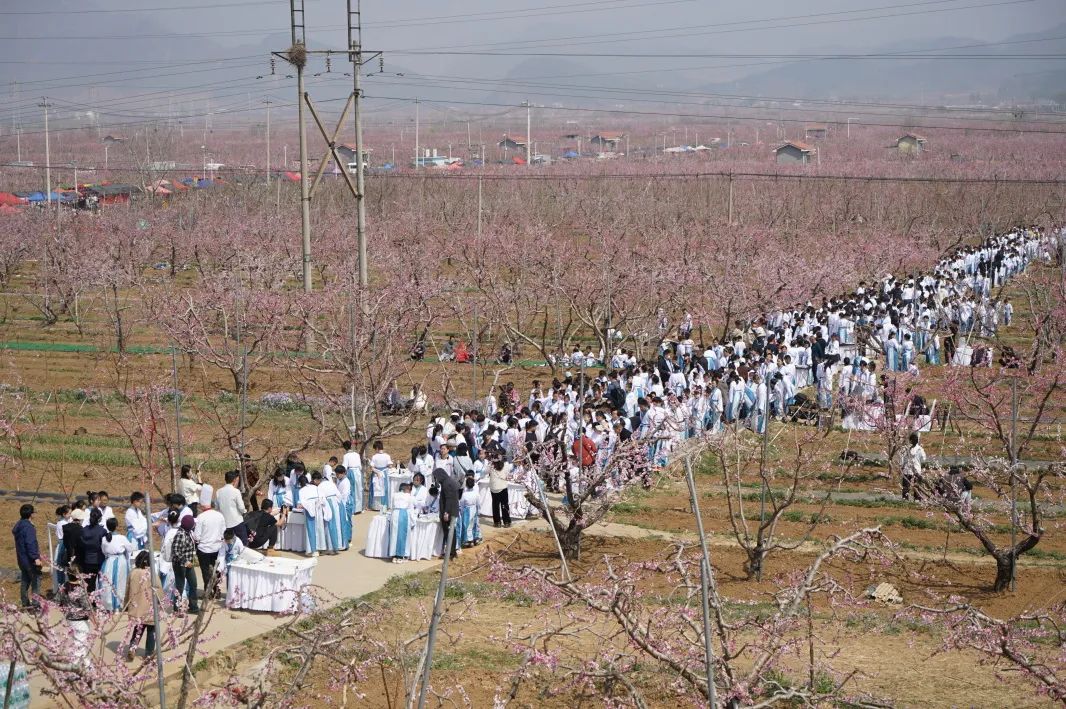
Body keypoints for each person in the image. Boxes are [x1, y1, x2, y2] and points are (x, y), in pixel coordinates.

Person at [124, 551, 159, 660]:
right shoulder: (152, 574)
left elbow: (127, 590)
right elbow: (158, 589)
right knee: (151, 630)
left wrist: (126, 604)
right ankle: (148, 654)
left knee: (138, 628)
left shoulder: (133, 573)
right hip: (150, 606)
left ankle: (132, 648)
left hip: (137, 606)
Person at [99, 517, 135, 612]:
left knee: (108, 583)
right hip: (120, 561)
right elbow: (131, 548)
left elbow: (103, 551)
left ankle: (109, 605)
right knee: (120, 582)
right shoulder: (122, 538)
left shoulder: (104, 539)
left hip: (108, 561)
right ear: (117, 526)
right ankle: (119, 605)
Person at [13, 504, 44, 610]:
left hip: (22, 559)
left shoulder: (19, 525)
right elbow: (30, 543)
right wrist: (36, 558)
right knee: (36, 580)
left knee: (25, 580)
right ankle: (35, 604)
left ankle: (25, 602)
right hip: (30, 559)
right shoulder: (28, 527)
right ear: (31, 514)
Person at [194, 500, 226, 599]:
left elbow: (197, 536)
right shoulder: (220, 515)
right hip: (217, 547)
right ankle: (216, 589)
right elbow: (223, 532)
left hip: (204, 549)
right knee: (217, 570)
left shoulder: (201, 517)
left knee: (205, 571)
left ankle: (208, 592)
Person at [170, 515, 199, 614]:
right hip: (180, 565)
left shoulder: (188, 533)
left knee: (193, 584)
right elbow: (176, 551)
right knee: (180, 587)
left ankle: (193, 606)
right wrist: (185, 561)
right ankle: (176, 608)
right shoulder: (180, 534)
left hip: (189, 564)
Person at [433, 468, 461, 560]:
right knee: (451, 532)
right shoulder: (448, 481)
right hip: (451, 511)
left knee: (449, 533)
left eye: (436, 477)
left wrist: (446, 512)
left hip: (449, 512)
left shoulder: (446, 484)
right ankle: (451, 552)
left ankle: (451, 553)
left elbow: (449, 499)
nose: (436, 480)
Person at [79, 508, 108, 597]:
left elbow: (81, 544)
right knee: (101, 583)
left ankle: (90, 602)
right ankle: (100, 602)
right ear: (99, 519)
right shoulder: (102, 531)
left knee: (89, 584)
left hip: (87, 559)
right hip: (99, 559)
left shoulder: (84, 530)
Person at [216, 470, 248, 545]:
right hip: (237, 522)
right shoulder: (236, 491)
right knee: (243, 543)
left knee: (228, 544)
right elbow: (241, 507)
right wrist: (244, 511)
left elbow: (217, 507)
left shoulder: (218, 491)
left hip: (225, 523)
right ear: (234, 480)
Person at [388, 482, 415, 563]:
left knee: (394, 535)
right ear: (406, 489)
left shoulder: (394, 495)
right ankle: (401, 555)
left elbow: (392, 506)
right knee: (403, 535)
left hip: (395, 514)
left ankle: (394, 555)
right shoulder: (409, 496)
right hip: (404, 514)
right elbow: (411, 509)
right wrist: (413, 522)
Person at [900, 432, 927, 500]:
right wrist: (902, 466)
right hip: (907, 469)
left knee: (917, 485)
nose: (915, 440)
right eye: (913, 439)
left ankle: (917, 499)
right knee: (906, 485)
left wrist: (921, 468)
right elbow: (903, 458)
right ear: (911, 440)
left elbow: (923, 459)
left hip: (916, 470)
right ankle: (905, 499)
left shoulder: (920, 449)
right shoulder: (906, 448)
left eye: (916, 439)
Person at [458, 476, 482, 548]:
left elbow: (461, 504)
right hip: (474, 509)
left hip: (466, 511)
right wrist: (478, 512)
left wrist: (461, 512)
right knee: (475, 525)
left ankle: (469, 540)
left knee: (467, 526)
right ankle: (476, 538)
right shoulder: (476, 494)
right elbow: (479, 503)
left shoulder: (464, 494)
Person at [342, 440, 364, 515]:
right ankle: (360, 508)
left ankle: (353, 509)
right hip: (358, 472)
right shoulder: (357, 454)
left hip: (351, 471)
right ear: (351, 446)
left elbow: (344, 466)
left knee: (352, 490)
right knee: (359, 489)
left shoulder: (346, 456)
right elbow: (360, 465)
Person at [369, 441, 393, 510]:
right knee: (384, 489)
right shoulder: (387, 456)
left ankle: (376, 506)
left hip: (376, 474)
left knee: (376, 489)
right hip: (384, 474)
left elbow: (372, 467)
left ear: (377, 448)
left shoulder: (374, 456)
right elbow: (390, 466)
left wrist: (377, 472)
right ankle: (384, 505)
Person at [488, 459, 512, 528]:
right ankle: (507, 522)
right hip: (503, 487)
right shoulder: (505, 465)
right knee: (504, 505)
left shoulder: (490, 467)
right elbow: (510, 467)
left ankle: (497, 522)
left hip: (494, 488)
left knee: (495, 506)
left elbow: (484, 471)